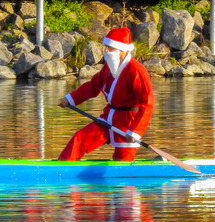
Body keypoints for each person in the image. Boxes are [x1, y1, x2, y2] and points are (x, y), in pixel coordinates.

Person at [57, 27, 154, 161]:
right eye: (106, 47)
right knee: (80, 138)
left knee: (122, 160)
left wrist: (135, 131)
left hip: (128, 122)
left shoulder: (137, 71)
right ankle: (64, 164)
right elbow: (93, 86)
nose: (106, 51)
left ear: (121, 50)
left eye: (110, 48)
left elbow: (147, 104)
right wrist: (69, 99)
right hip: (109, 117)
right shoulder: (109, 67)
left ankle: (123, 172)